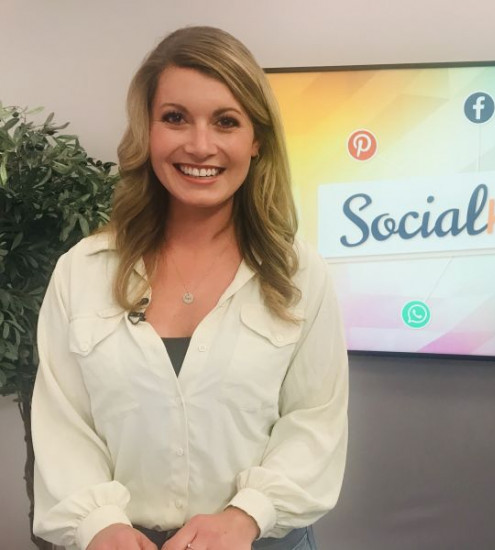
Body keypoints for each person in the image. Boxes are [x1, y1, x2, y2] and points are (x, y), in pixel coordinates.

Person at [31, 26, 348, 550]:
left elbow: (314, 422)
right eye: (175, 118)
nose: (200, 145)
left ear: (257, 140)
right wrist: (98, 525)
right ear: (147, 131)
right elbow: (65, 424)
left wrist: (245, 517)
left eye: (226, 121)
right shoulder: (81, 272)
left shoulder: (298, 274)